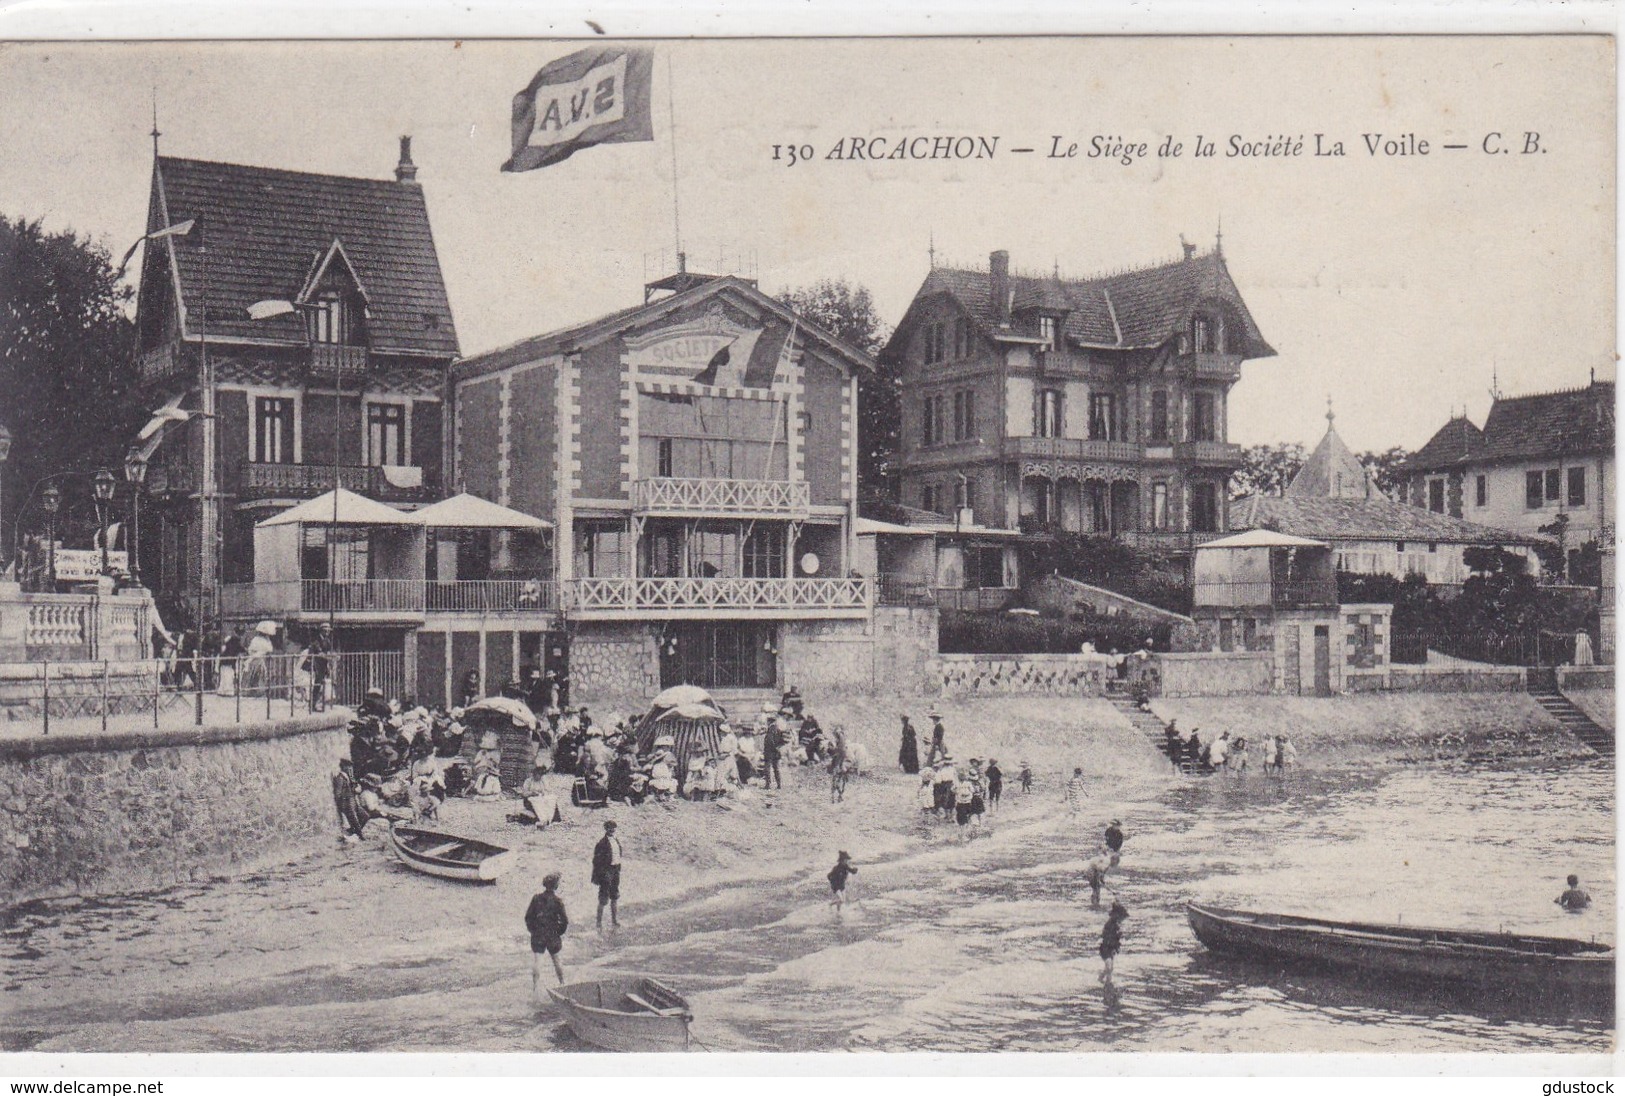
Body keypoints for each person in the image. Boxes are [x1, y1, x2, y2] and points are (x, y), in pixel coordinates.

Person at [525, 872, 569, 997]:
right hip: (552, 934)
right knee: (557, 960)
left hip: (538, 934)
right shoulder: (558, 901)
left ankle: (535, 988)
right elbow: (565, 921)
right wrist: (558, 932)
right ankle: (562, 984)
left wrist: (533, 930)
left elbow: (528, 917)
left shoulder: (536, 898)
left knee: (538, 961)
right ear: (556, 886)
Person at [591, 820, 623, 929]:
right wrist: (602, 875)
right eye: (610, 828)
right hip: (606, 872)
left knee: (614, 896)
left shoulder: (616, 840)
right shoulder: (601, 843)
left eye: (613, 828)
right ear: (606, 829)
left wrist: (617, 869)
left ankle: (614, 920)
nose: (612, 830)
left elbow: (618, 855)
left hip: (615, 871)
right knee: (603, 899)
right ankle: (598, 923)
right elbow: (596, 861)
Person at [305, 623, 336, 712]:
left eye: (328, 631)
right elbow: (319, 653)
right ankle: (312, 705)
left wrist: (332, 656)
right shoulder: (316, 640)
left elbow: (329, 651)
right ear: (322, 631)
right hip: (315, 665)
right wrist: (329, 657)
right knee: (316, 685)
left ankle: (318, 704)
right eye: (325, 631)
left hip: (323, 665)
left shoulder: (327, 640)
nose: (327, 633)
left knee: (321, 685)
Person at [1099, 900, 1128, 984]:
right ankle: (1108, 983)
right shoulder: (1109, 924)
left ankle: (1102, 979)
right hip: (1105, 948)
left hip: (1111, 949)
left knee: (1109, 968)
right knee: (1109, 967)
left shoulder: (1116, 925)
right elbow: (1105, 936)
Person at [761, 712, 783, 790]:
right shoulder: (778, 729)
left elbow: (770, 740)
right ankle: (779, 784)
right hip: (776, 752)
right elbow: (782, 741)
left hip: (770, 752)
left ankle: (768, 785)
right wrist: (777, 748)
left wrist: (772, 748)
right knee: (776, 768)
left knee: (767, 768)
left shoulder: (770, 729)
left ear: (769, 722)